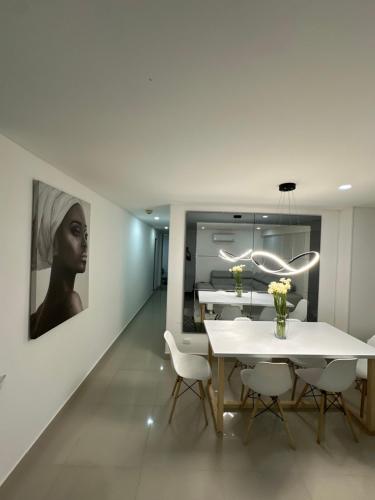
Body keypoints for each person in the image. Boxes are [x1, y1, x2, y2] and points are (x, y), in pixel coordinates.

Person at [30, 182, 88, 339]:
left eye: (85, 235)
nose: (85, 244)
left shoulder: (39, 313)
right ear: (53, 240)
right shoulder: (71, 301)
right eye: (76, 231)